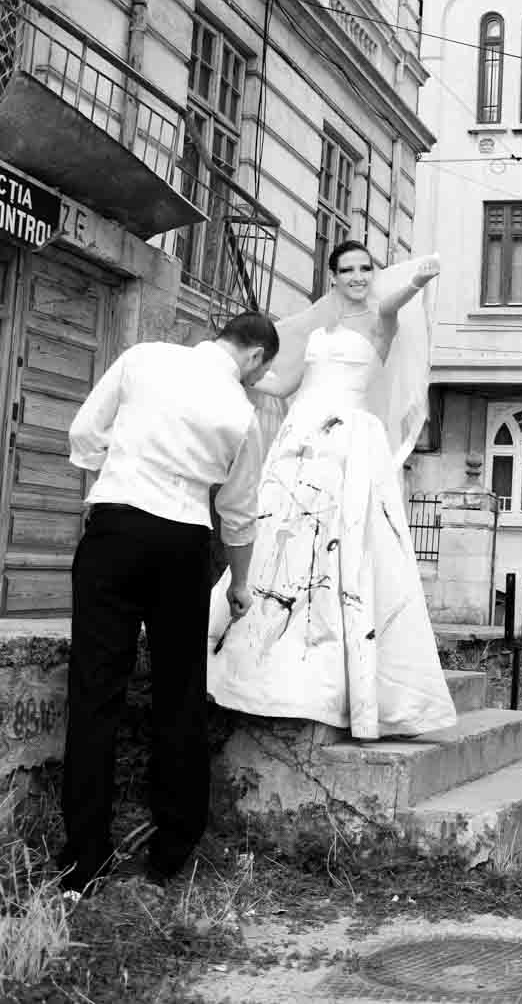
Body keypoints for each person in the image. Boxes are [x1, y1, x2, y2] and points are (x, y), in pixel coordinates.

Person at [56, 312, 278, 897]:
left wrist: (123, 469)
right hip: (183, 543)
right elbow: (238, 515)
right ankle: (171, 851)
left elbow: (83, 434)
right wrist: (239, 584)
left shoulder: (143, 358)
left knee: (94, 690)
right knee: (178, 694)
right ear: (255, 357)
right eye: (260, 372)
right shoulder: (242, 414)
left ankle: (84, 860)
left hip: (116, 527)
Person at [208, 241, 457, 739]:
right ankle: (263, 657)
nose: (358, 276)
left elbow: (392, 302)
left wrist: (416, 280)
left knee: (341, 544)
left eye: (365, 268)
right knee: (283, 539)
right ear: (334, 276)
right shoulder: (318, 330)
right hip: (300, 437)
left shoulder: (381, 320)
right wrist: (235, 375)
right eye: (348, 270)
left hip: (347, 440)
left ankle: (341, 671)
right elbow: (284, 385)